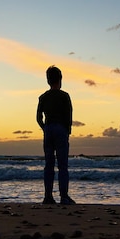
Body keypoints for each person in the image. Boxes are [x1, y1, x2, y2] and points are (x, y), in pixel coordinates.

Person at [36, 65, 75, 205]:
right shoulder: (64, 96)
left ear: (48, 80)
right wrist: (67, 131)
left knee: (49, 164)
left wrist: (44, 128)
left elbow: (38, 117)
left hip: (48, 129)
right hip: (60, 129)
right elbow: (69, 116)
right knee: (62, 165)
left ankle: (48, 197)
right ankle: (64, 196)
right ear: (60, 79)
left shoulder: (43, 97)